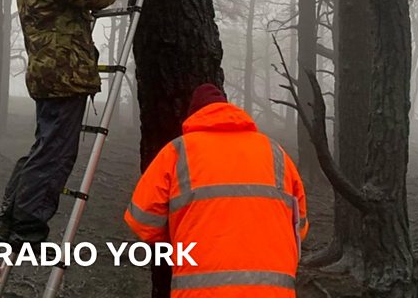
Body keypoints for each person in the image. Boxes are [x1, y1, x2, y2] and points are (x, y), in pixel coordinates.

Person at [0, 0, 134, 249]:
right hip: (64, 74)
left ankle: (11, 219)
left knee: (44, 147)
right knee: (55, 153)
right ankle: (28, 228)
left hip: (49, 73)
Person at [124, 83, 309, 297]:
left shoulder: (178, 151)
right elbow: (300, 227)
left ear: (194, 116)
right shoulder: (276, 153)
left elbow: (141, 220)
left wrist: (180, 233)